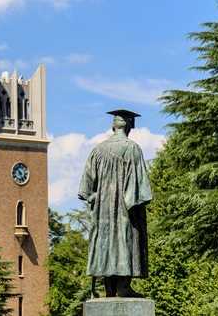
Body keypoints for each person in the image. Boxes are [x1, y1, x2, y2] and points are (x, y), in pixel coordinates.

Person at [78, 109, 152, 298]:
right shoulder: (132, 148)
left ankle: (109, 289)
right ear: (129, 125)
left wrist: (96, 197)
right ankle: (123, 286)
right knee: (123, 240)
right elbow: (140, 189)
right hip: (124, 210)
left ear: (113, 125)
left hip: (103, 210)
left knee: (106, 243)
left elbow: (85, 188)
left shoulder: (98, 150)